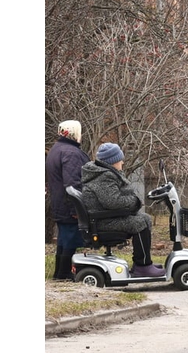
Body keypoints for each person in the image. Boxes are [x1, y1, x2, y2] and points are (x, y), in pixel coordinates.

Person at [80, 143, 165, 277]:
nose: (122, 162)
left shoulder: (103, 173)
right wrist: (134, 201)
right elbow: (113, 202)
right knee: (140, 223)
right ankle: (142, 267)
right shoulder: (104, 177)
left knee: (145, 218)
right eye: (120, 159)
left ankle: (143, 263)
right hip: (103, 222)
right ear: (112, 162)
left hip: (104, 217)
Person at [46, 120, 91, 280]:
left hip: (59, 203)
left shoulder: (56, 150)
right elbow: (73, 184)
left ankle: (59, 273)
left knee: (63, 240)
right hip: (69, 205)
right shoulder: (70, 153)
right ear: (74, 133)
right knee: (70, 239)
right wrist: (77, 210)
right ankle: (64, 274)